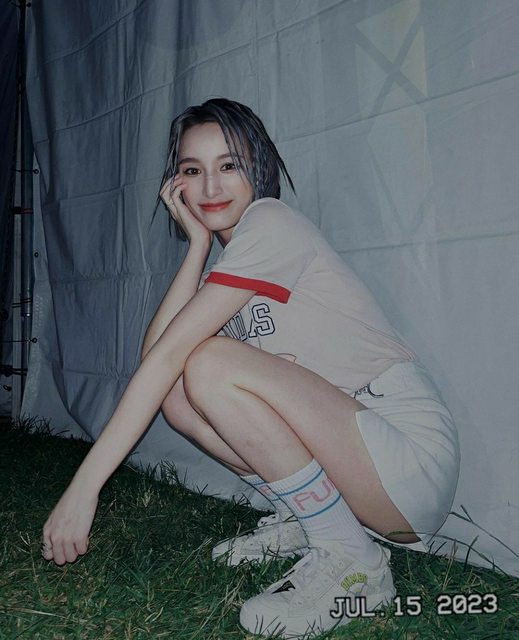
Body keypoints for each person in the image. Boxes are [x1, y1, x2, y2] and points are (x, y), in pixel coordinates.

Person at [42, 98, 460, 638]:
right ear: (176, 184)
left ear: (258, 167)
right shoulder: (230, 263)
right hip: (361, 464)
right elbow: (158, 365)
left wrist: (85, 487)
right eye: (193, 170)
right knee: (180, 390)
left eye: (229, 165)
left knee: (207, 361)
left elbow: (170, 355)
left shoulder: (271, 223)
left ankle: (354, 562)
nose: (211, 187)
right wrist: (197, 247)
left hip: (406, 458)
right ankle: (308, 517)